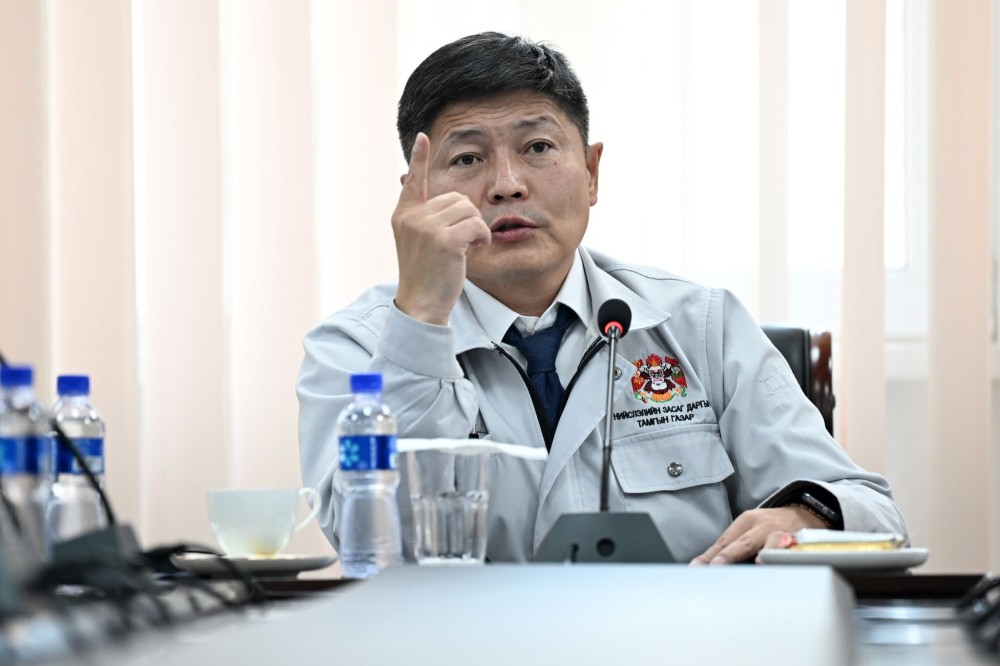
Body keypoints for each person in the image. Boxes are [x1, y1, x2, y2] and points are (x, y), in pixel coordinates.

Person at [297, 32, 907, 565]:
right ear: (417, 193)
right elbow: (371, 545)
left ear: (591, 173)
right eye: (467, 158)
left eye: (538, 148)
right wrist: (422, 321)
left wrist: (804, 516)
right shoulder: (356, 348)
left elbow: (871, 512)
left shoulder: (702, 326)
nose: (507, 185)